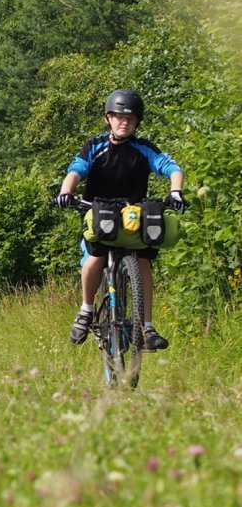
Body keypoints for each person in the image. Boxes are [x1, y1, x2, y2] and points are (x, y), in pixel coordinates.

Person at [55, 88, 188, 350]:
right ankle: (86, 309)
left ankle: (147, 327)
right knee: (96, 257)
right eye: (118, 116)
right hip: (99, 214)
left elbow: (172, 168)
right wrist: (65, 192)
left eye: (131, 118)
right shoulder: (94, 146)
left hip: (133, 219)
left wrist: (176, 191)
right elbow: (76, 171)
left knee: (143, 263)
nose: (124, 121)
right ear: (108, 118)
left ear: (137, 122)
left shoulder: (144, 148)